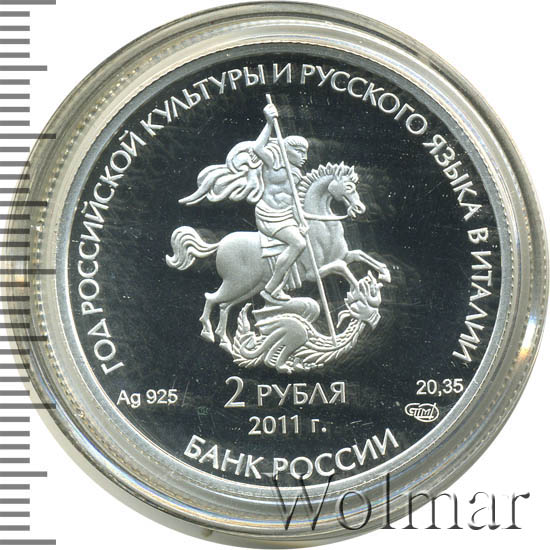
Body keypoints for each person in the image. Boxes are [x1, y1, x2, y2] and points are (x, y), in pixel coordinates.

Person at [253, 104, 309, 302]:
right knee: (299, 243)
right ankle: (271, 287)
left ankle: (279, 286)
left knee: (299, 242)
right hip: (269, 214)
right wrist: (269, 123)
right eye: (300, 152)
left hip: (286, 216)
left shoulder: (297, 173)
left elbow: (293, 201)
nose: (304, 157)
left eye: (306, 153)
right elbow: (257, 148)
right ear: (288, 150)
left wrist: (301, 220)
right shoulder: (272, 162)